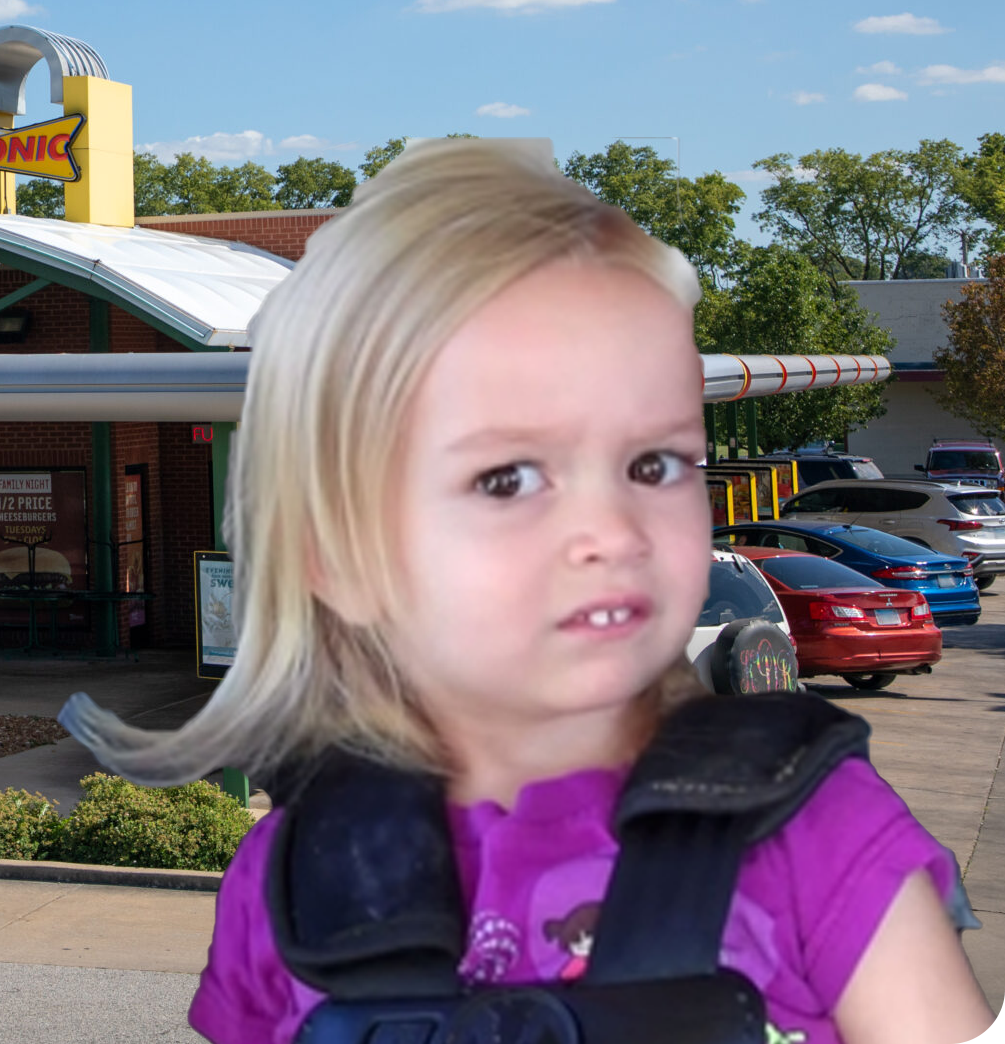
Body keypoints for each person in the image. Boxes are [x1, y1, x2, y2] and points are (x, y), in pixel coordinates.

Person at [61, 139, 995, 1044]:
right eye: (508, 477)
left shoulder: (812, 831)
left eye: (653, 463)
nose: (610, 528)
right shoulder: (297, 877)